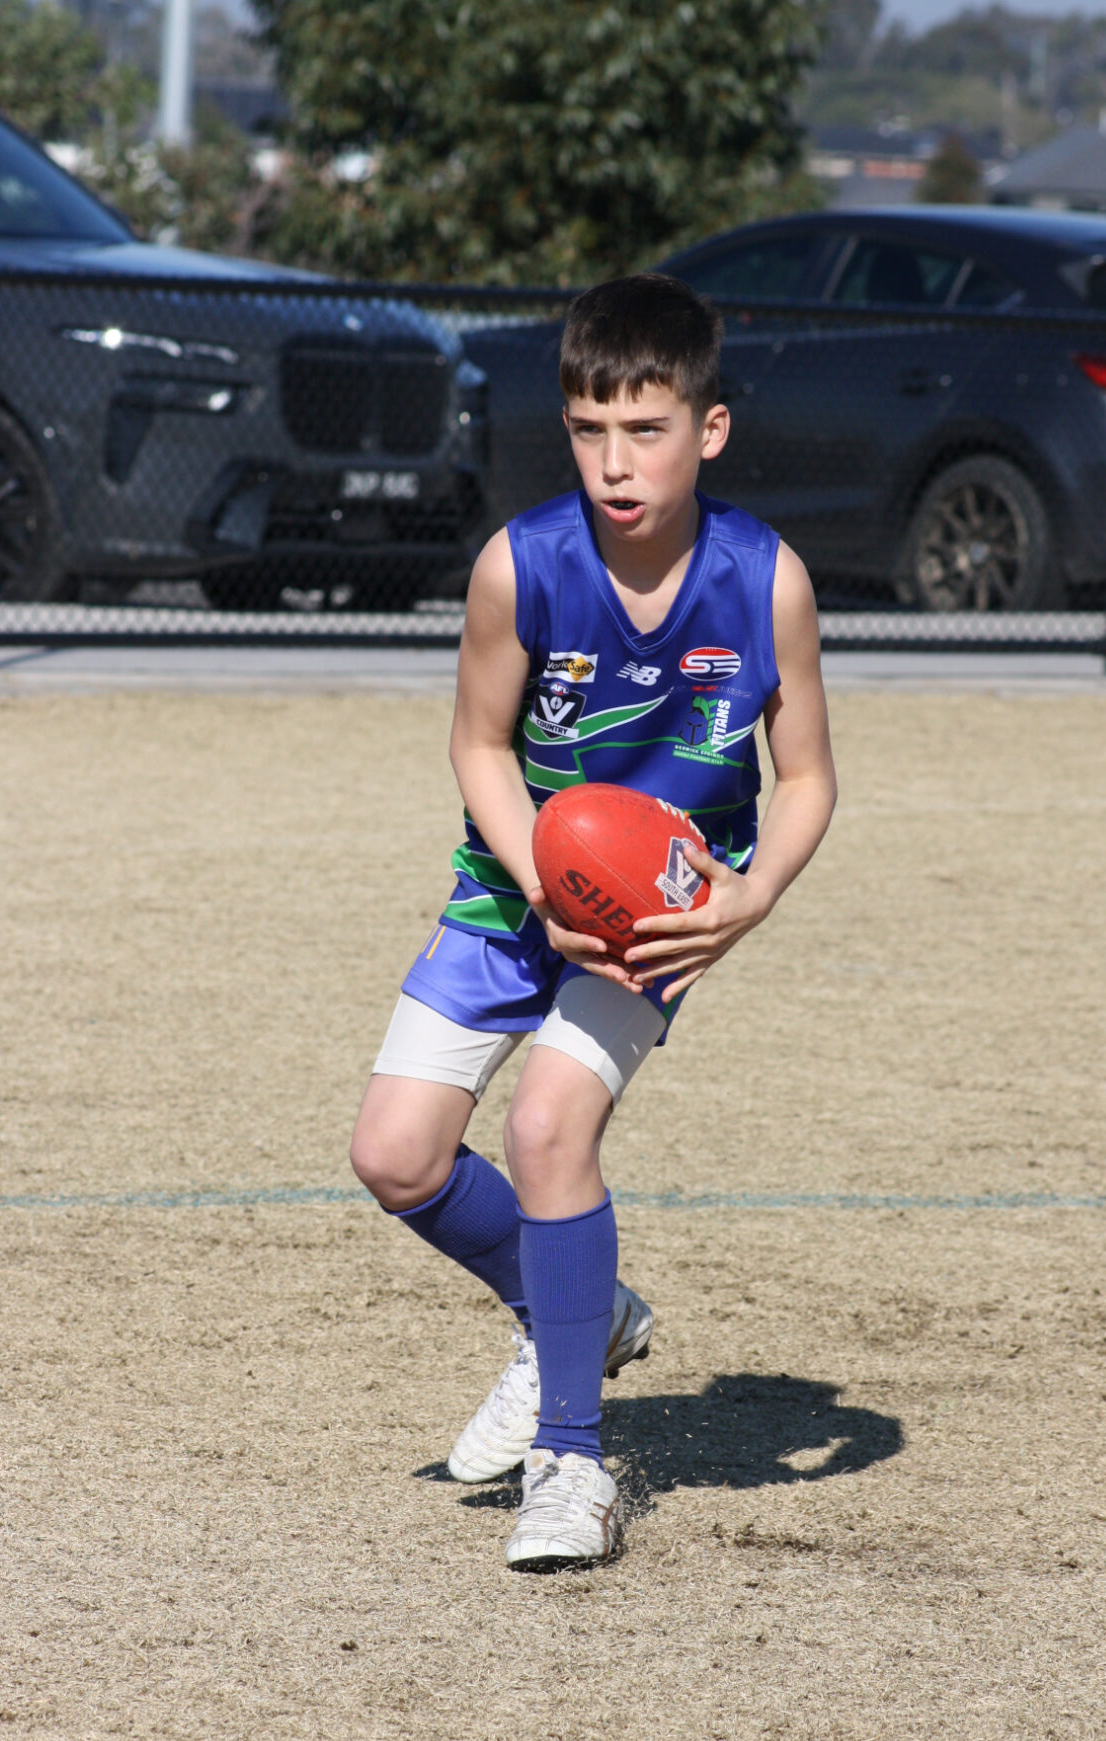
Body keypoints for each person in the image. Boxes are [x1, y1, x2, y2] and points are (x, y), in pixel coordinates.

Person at [350, 272, 837, 1572]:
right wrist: (541, 884)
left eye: (647, 430)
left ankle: (571, 1462)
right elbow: (479, 745)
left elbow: (807, 779)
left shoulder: (765, 583)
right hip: (512, 889)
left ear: (709, 429)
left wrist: (749, 897)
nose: (617, 463)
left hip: (656, 914)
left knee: (547, 1127)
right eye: (589, 430)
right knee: (394, 1156)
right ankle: (581, 1307)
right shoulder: (521, 566)